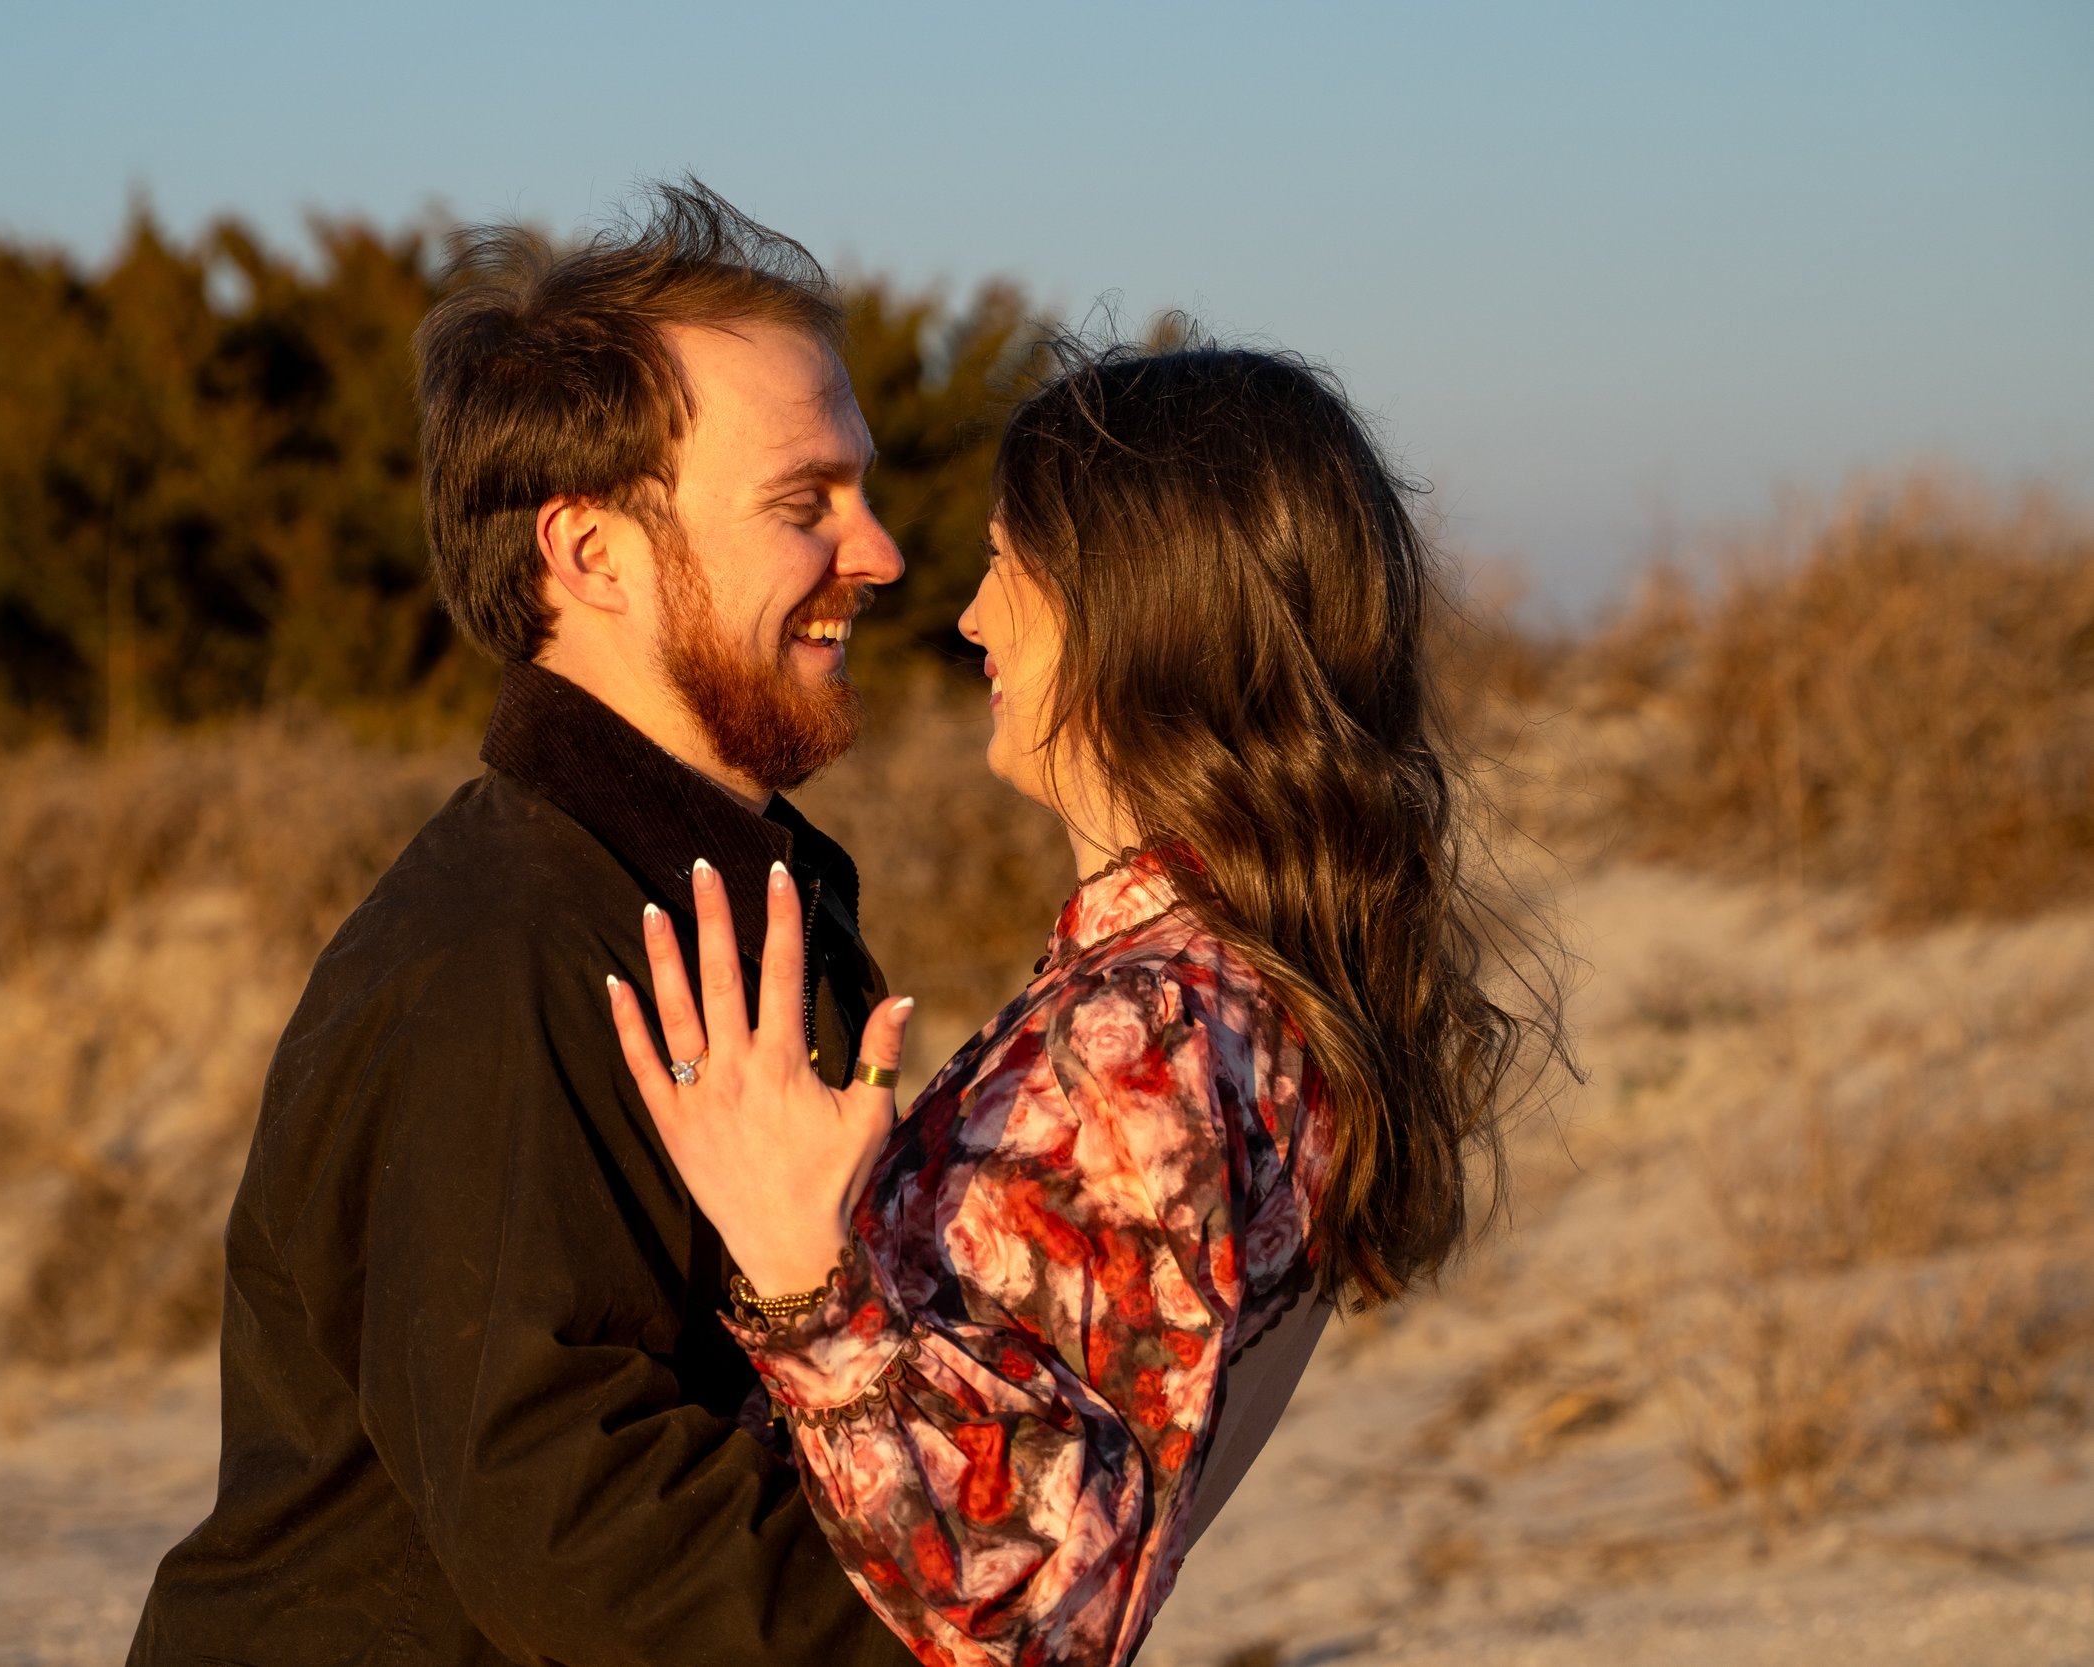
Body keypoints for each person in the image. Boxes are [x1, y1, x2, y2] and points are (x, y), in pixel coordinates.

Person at [609, 341, 1547, 1665]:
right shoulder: (1234, 983)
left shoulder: (1146, 1035)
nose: (971, 617)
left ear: (1131, 609)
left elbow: (1043, 1615)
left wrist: (802, 1280)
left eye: (1009, 566)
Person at [129, 184, 919, 1664]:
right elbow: (571, 1519)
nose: (878, 553)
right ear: (593, 553)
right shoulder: (502, 957)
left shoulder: (716, 892)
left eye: (861, 491)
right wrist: (946, 1646)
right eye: (804, 503)